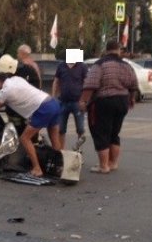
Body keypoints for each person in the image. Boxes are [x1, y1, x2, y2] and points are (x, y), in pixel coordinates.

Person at [79, 40, 138, 174]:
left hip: (104, 102)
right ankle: (113, 163)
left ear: (106, 50)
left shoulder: (100, 64)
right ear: (118, 50)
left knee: (101, 132)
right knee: (114, 133)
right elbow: (133, 84)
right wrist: (132, 98)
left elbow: (90, 85)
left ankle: (103, 166)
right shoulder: (126, 66)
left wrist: (83, 102)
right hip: (122, 101)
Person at [0, 72, 62, 177]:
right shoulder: (17, 79)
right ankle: (59, 166)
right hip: (53, 103)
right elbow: (20, 94)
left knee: (24, 139)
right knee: (55, 139)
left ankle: (37, 169)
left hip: (42, 108)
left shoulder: (5, 91)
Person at [52, 59, 89, 149]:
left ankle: (78, 150)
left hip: (77, 102)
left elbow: (87, 84)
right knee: (61, 129)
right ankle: (61, 152)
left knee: (80, 129)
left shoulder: (82, 66)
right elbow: (56, 81)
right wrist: (53, 97)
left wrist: (84, 100)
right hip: (63, 102)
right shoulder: (61, 66)